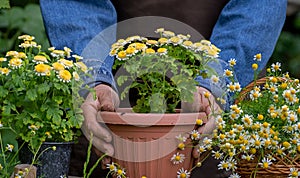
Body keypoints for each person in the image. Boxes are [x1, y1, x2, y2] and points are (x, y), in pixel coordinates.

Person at [39, 0, 287, 177]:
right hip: (110, 120)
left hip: (215, 124)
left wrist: (215, 83)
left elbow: (259, 5)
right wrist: (93, 78)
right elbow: (78, 6)